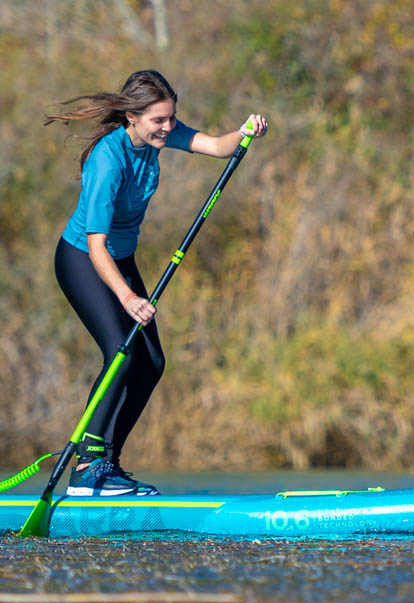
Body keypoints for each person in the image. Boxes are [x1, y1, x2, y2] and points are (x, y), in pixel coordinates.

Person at [47, 69, 268, 496]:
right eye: (159, 121)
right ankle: (87, 469)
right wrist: (128, 297)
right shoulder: (108, 160)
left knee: (152, 363)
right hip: (82, 260)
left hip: (120, 259)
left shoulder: (158, 135)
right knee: (119, 352)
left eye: (171, 119)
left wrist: (244, 132)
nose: (168, 128)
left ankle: (105, 464)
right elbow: (96, 247)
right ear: (132, 116)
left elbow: (218, 147)